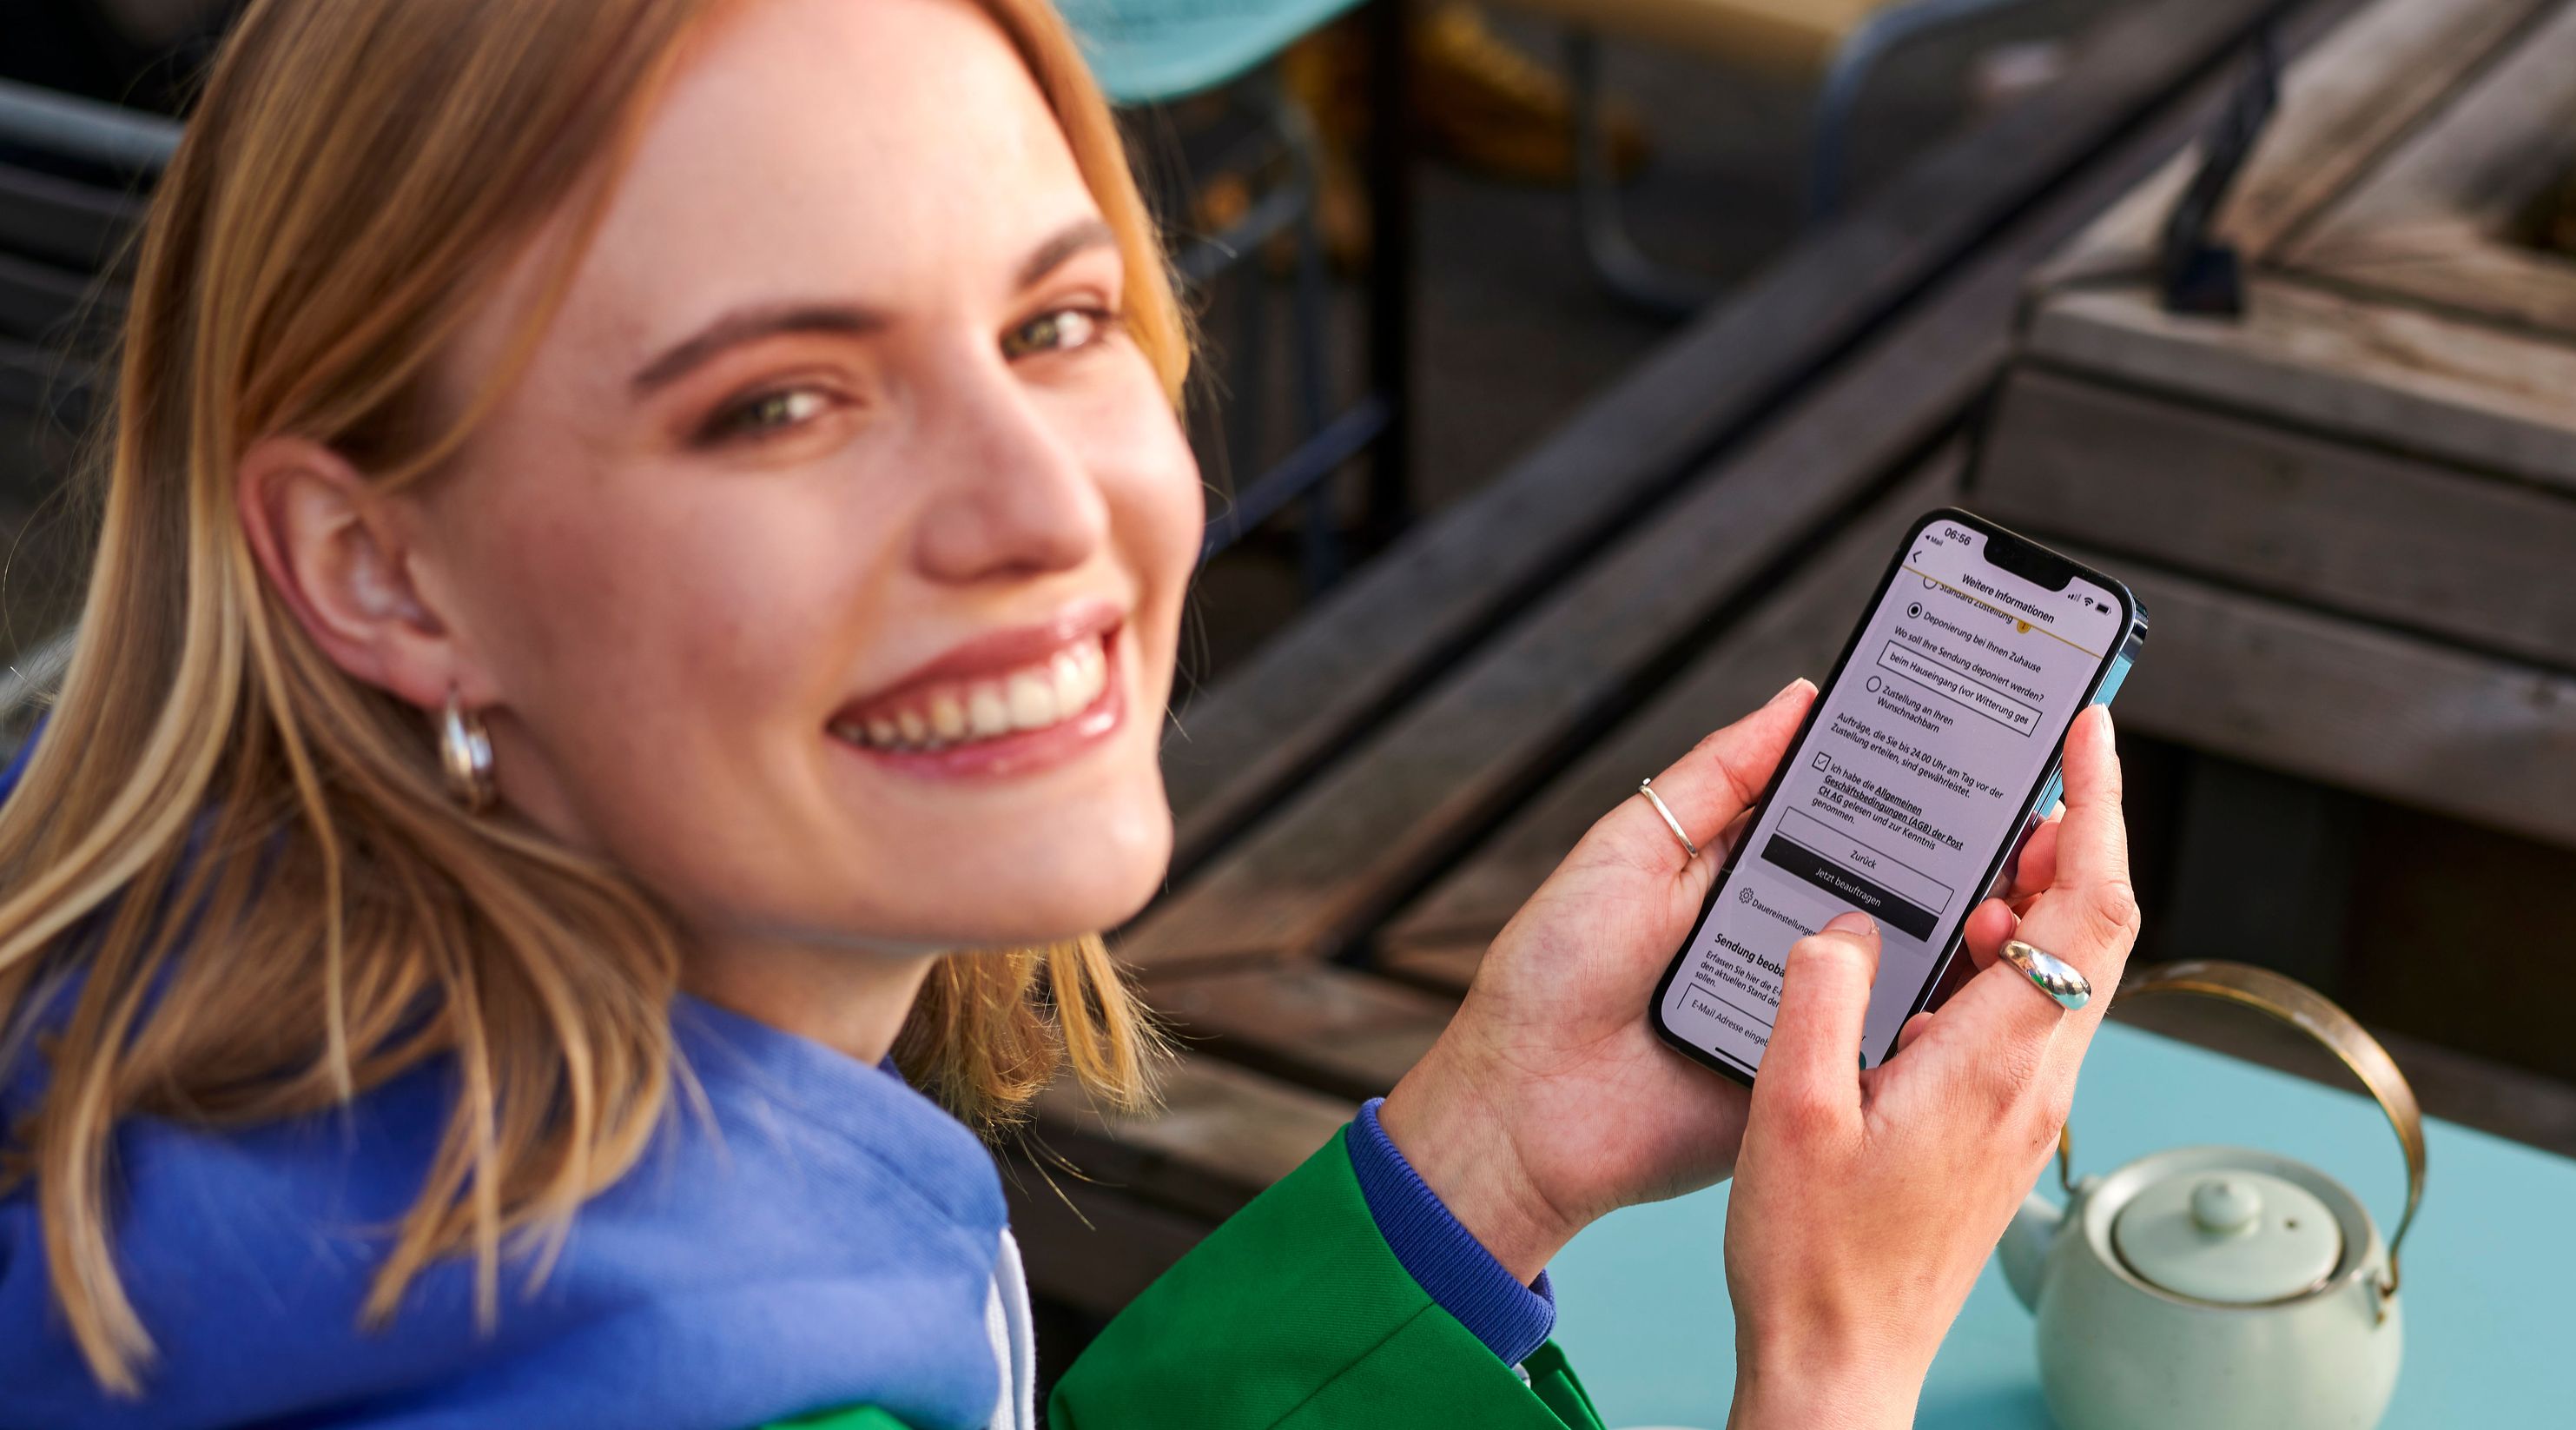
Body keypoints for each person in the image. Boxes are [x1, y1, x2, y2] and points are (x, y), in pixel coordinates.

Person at [0, 0, 2143, 1426]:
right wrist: (1836, 1362)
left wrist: (1496, 1149)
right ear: (379, 569)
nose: (1046, 506)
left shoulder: (192, 1049)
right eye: (780, 401)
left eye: (1055, 317)